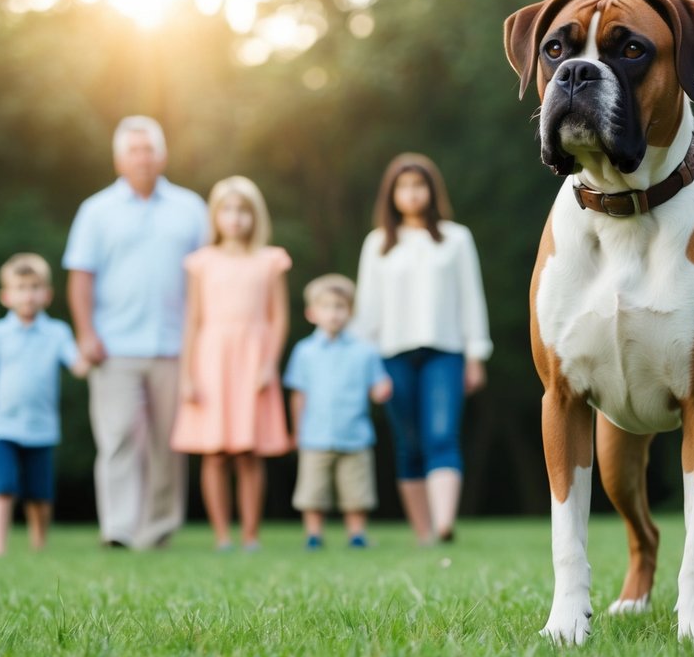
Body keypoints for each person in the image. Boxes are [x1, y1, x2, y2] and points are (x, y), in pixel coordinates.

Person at [62, 115, 209, 549]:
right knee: (120, 436)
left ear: (162, 156)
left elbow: (206, 277)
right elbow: (80, 278)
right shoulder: (95, 211)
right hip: (114, 346)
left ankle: (158, 530)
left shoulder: (191, 208)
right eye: (134, 151)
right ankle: (120, 530)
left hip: (175, 343)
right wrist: (86, 333)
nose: (142, 158)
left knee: (169, 444)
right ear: (118, 159)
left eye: (149, 150)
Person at [354, 153, 492, 545]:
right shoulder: (377, 244)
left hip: (445, 352)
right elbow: (367, 311)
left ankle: (444, 523)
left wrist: (475, 355)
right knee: (409, 444)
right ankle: (423, 532)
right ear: (391, 195)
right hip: (391, 355)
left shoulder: (456, 239)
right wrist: (368, 368)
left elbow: (471, 299)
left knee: (441, 436)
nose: (412, 194)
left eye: (419, 186)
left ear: (432, 192)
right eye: (404, 187)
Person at [170, 176, 291, 551]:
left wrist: (269, 362)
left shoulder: (270, 260)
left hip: (253, 359)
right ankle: (222, 535)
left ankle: (250, 534)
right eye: (227, 210)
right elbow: (193, 319)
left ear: (255, 216)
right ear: (215, 216)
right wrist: (186, 372)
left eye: (243, 210)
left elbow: (279, 317)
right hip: (212, 360)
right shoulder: (202, 262)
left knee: (248, 452)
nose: (235, 218)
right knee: (215, 452)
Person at [0, 253, 90, 556]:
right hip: (2, 426)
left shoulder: (57, 332)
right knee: (3, 486)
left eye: (35, 287)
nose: (28, 294)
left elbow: (78, 366)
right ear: (6, 296)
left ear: (47, 294)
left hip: (42, 427)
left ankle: (39, 543)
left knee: (39, 495)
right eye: (20, 287)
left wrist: (92, 351)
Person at [284, 274, 392, 551]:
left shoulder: (364, 352)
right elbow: (299, 394)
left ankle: (356, 533)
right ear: (312, 313)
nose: (333, 314)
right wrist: (297, 431)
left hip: (354, 433)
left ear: (350, 312)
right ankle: (313, 534)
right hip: (315, 434)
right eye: (326, 307)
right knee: (313, 491)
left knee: (356, 491)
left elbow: (376, 383)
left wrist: (381, 390)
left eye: (340, 307)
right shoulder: (305, 351)